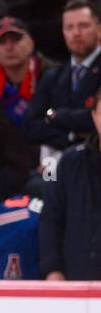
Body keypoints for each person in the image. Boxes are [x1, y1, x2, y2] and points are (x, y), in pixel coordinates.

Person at [0, 16, 51, 200]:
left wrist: (53, 159)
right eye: (2, 41)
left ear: (31, 43)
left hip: (49, 167)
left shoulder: (52, 76)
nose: (9, 47)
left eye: (16, 39)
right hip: (9, 171)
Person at [24, 0, 101, 160]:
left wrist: (56, 116)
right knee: (38, 184)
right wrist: (71, 136)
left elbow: (94, 119)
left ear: (99, 29)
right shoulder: (53, 76)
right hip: (58, 160)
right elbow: (31, 127)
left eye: (83, 26)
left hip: (95, 159)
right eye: (69, 27)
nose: (76, 33)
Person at [40, 92, 101, 279]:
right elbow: (51, 218)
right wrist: (52, 270)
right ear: (94, 116)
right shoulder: (70, 161)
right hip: (76, 282)